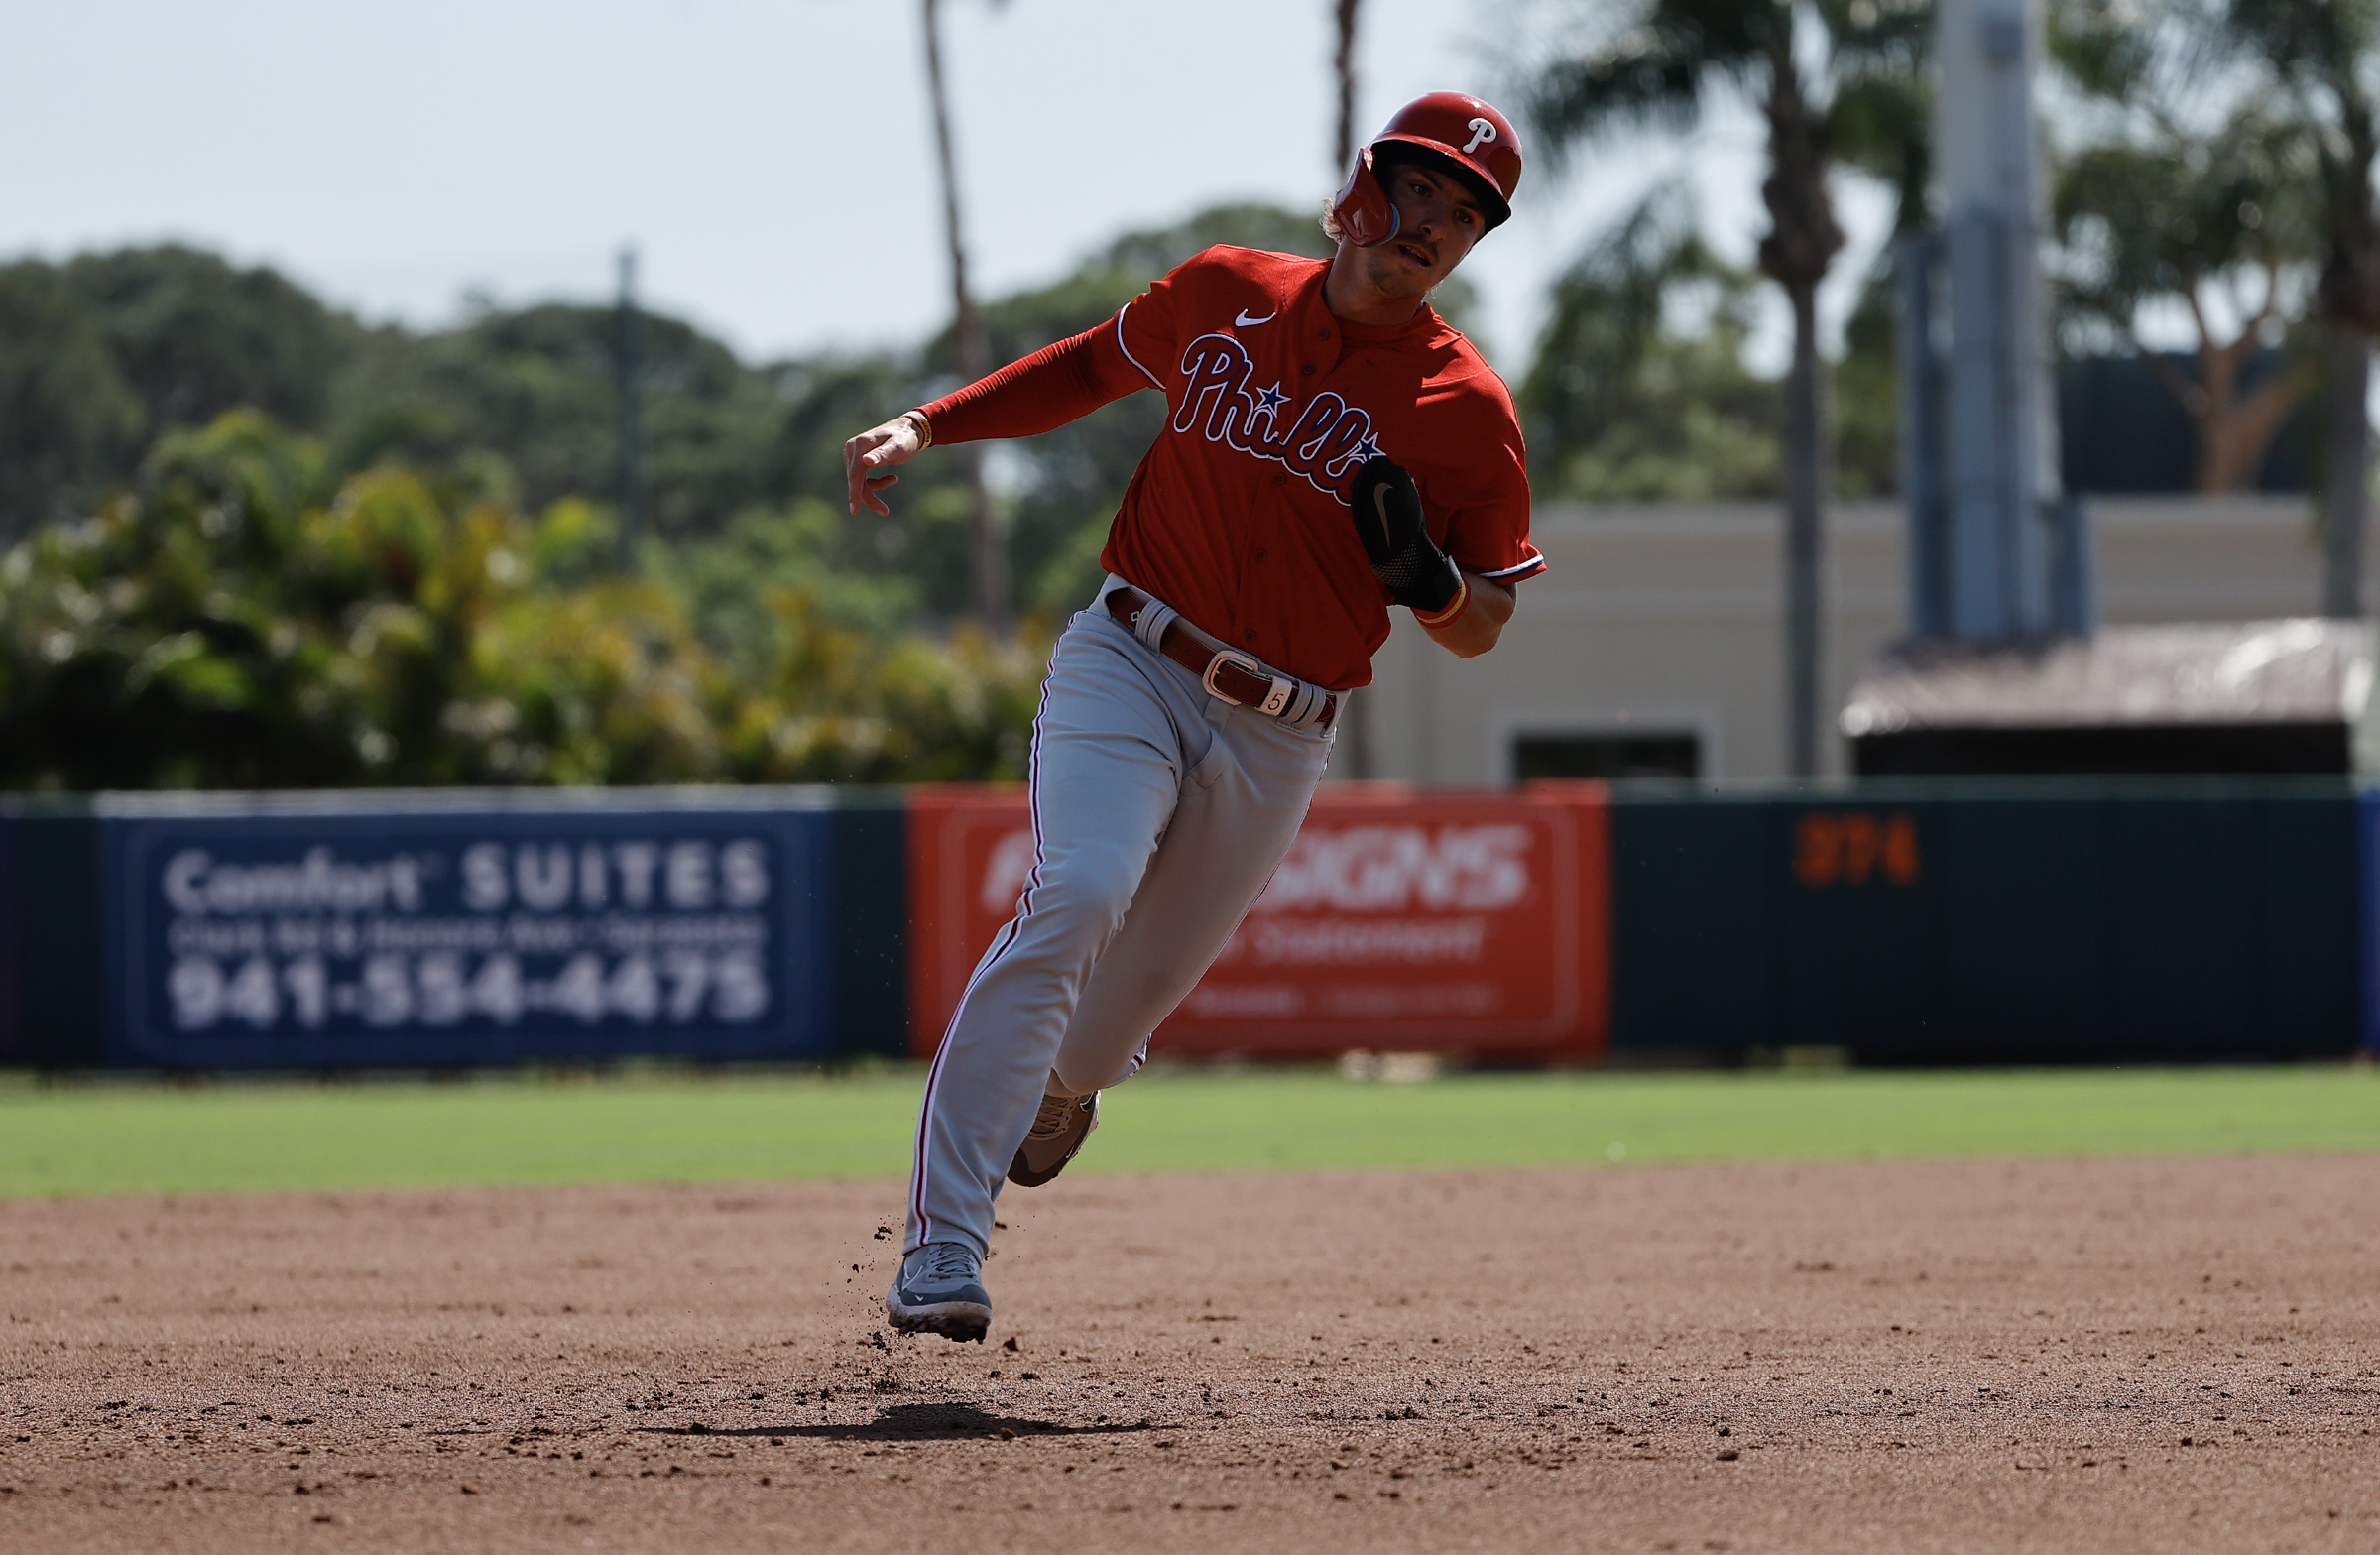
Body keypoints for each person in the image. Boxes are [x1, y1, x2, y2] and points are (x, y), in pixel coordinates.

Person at [843, 92, 1545, 1343]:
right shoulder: (1225, 288)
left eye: (1466, 213)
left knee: (1110, 1026)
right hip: (1133, 655)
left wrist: (1429, 580)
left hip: (1282, 729)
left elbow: (1487, 616)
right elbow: (1088, 367)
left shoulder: (1466, 409)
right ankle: (943, 1244)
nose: (1434, 224)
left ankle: (1069, 1087)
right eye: (1423, 188)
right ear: (1364, 183)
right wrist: (931, 423)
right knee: (1078, 889)